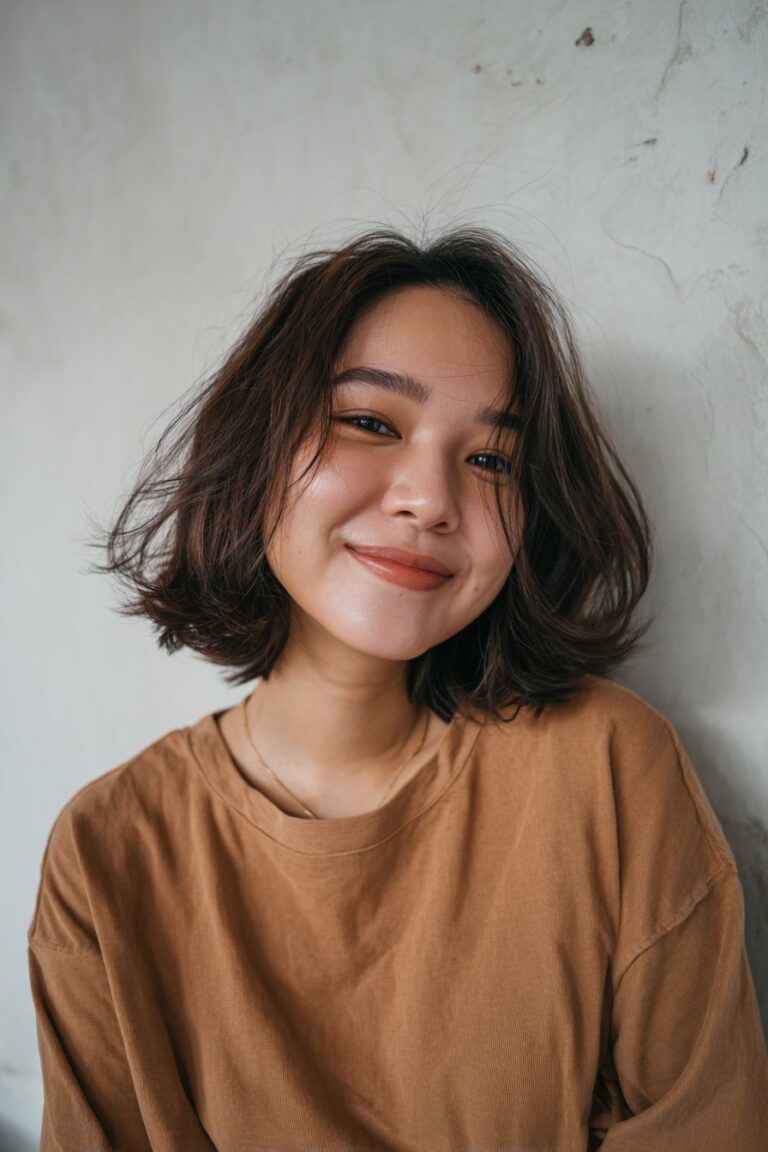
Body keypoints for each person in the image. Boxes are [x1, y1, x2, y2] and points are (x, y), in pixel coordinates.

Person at [27, 227, 768, 1151]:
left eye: (492, 459)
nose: (430, 497)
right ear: (257, 449)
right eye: (371, 423)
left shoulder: (610, 769)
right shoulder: (107, 854)